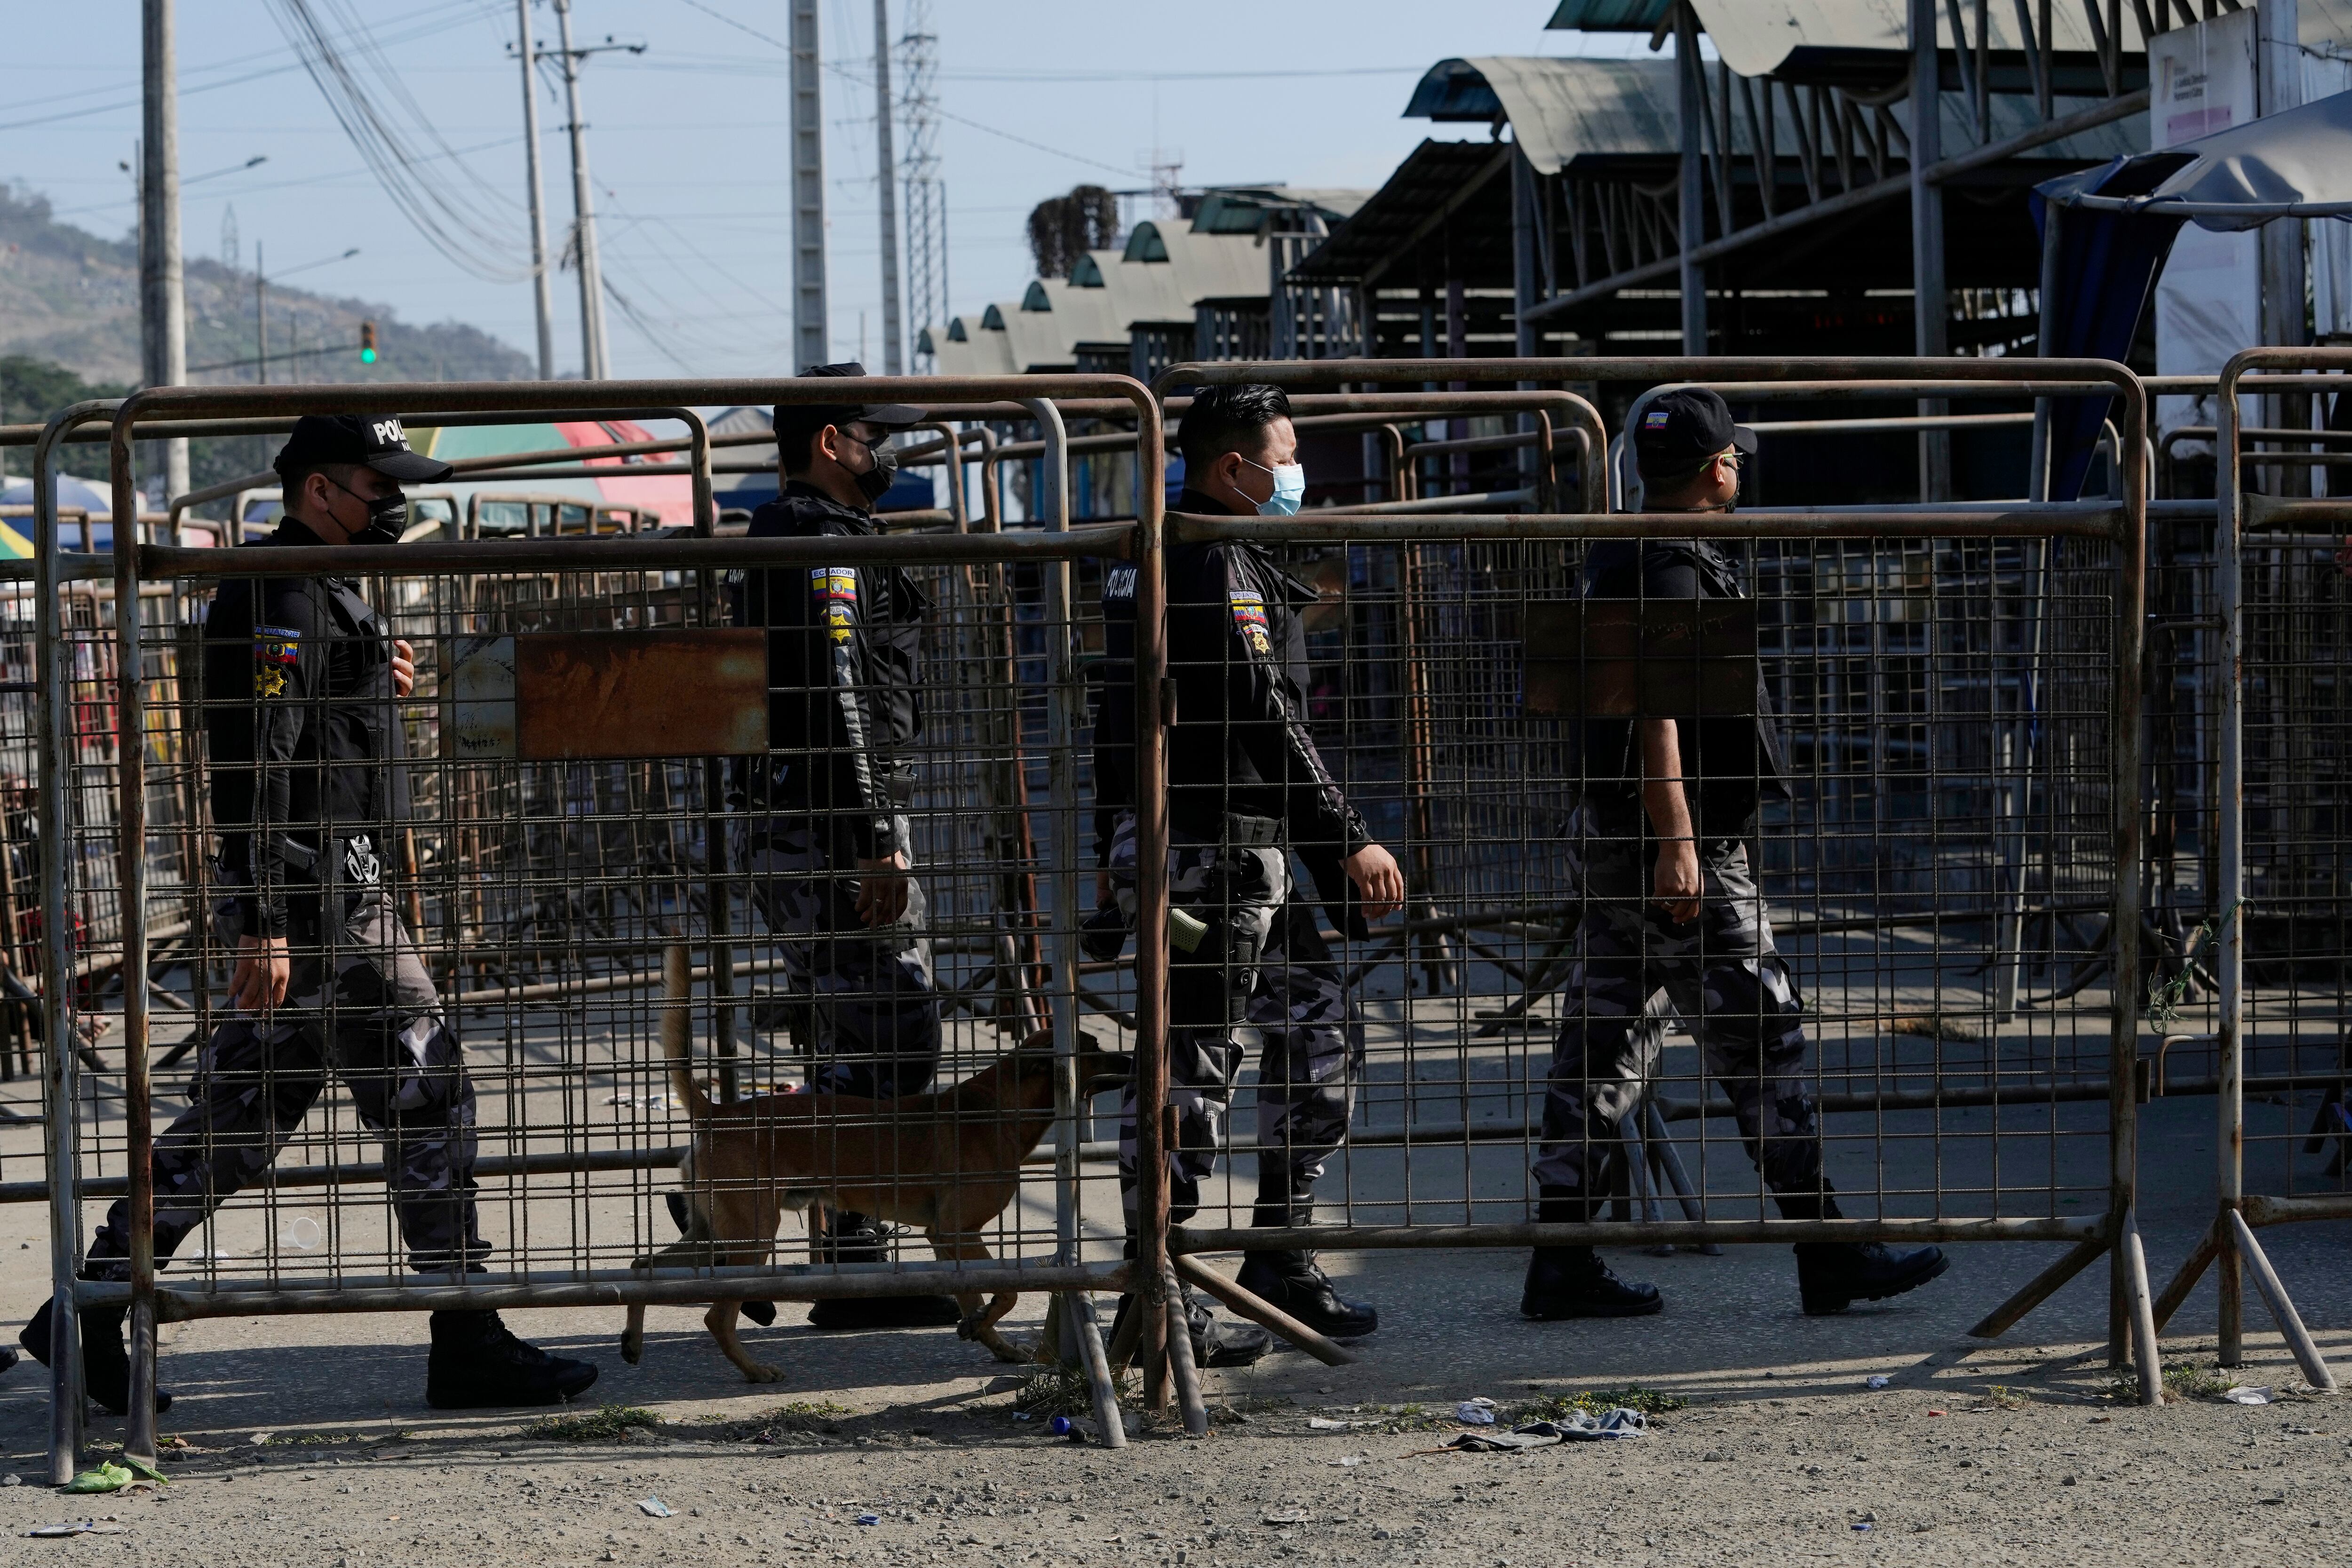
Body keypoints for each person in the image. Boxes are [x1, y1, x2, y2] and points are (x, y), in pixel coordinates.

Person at [17, 414, 598, 1414]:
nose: (394, 506)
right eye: (379, 487)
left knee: (238, 1121)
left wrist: (377, 684)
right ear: (322, 490)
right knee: (432, 1095)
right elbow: (259, 760)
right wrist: (267, 920)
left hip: (325, 894)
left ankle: (92, 1299)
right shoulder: (282, 585)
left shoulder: (312, 588)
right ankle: (465, 1332)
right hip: (325, 905)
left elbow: (312, 729)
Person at [1521, 388, 1951, 1320]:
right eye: (1735, 458)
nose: (1740, 470)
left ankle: (1558, 1260)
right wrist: (1678, 846)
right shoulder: (1671, 563)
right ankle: (1829, 1248)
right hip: (1678, 850)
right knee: (1763, 1039)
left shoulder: (1618, 551)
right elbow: (1654, 710)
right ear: (1716, 467)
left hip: (1616, 837)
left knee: (1598, 1048)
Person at [1101, 383, 1404, 1364]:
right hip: (1208, 854)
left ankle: (1277, 1251)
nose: (1295, 470)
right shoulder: (1207, 556)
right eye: (1285, 453)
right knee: (1190, 1066)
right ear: (1233, 469)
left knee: (1318, 1036)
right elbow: (1265, 712)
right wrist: (1348, 837)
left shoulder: (1197, 548)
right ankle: (1163, 1293)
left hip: (1238, 850)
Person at [731, 363, 959, 1330]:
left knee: (850, 1032)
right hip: (829, 826)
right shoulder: (818, 543)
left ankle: (845, 1248)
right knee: (895, 1027)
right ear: (830, 442)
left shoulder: (814, 535)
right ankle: (821, 1226)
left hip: (812, 821)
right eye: (875, 434)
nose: (888, 452)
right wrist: (875, 834)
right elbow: (838, 689)